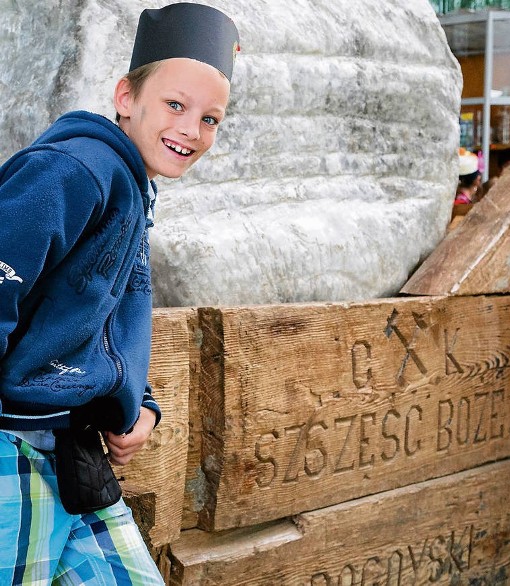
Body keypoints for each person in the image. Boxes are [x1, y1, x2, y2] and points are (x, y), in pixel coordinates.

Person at [0, 3, 239, 583]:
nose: (191, 129)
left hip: (76, 453)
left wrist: (141, 403)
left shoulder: (132, 189)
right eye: (176, 105)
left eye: (210, 119)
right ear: (126, 97)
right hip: (15, 448)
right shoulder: (72, 171)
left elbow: (96, 316)